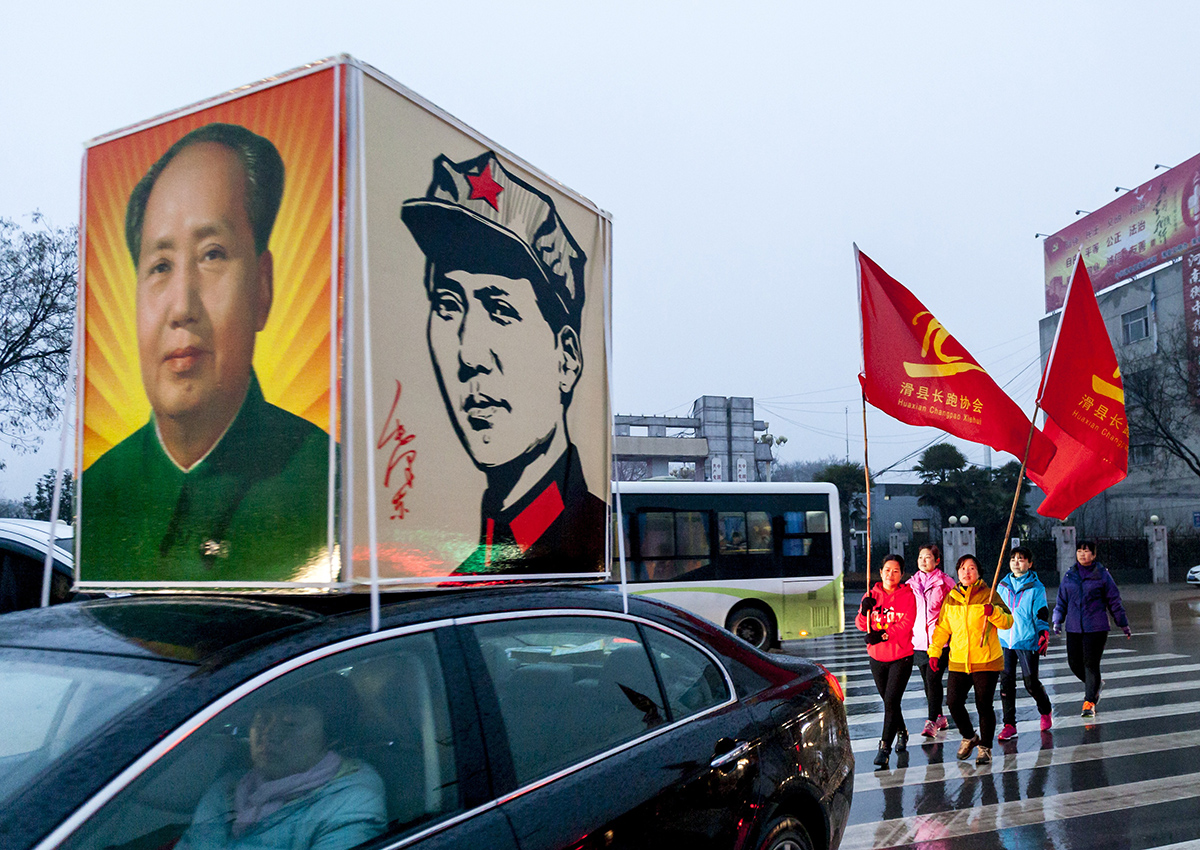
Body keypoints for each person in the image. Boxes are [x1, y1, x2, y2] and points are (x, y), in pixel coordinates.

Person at [82, 123, 330, 581]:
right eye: (159, 266)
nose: (181, 308)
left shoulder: (328, 484)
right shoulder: (99, 491)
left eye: (212, 254)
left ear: (261, 286)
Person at [401, 151, 606, 575]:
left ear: (566, 359)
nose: (469, 356)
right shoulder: (467, 572)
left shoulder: (593, 547)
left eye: (499, 308)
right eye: (447, 305)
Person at [176, 689, 386, 850]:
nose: (269, 733)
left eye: (291, 723)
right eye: (262, 719)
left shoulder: (352, 802)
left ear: (331, 737)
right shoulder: (229, 787)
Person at [928, 554, 1013, 766]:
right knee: (953, 702)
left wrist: (992, 612)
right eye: (963, 568)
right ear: (957, 572)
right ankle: (969, 736)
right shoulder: (951, 597)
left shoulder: (989, 594)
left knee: (984, 705)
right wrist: (935, 652)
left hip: (986, 660)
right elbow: (942, 628)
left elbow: (1008, 621)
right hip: (958, 660)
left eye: (972, 568)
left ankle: (985, 747)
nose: (967, 572)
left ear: (978, 572)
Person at [1052, 540, 1131, 718]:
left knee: (1090, 664)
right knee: (1074, 663)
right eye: (1079, 550)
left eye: (1086, 551)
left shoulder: (1102, 575)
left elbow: (1114, 601)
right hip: (1073, 627)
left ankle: (1089, 702)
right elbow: (1062, 600)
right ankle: (1095, 685)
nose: (1082, 554)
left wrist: (1123, 623)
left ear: (1093, 555)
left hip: (1096, 627)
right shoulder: (1069, 575)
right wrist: (1057, 619)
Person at [856, 554, 917, 769]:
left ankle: (884, 747)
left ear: (901, 574)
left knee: (891, 701)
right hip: (877, 658)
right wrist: (865, 610)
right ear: (880, 572)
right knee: (890, 702)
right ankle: (902, 731)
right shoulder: (871, 594)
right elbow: (861, 624)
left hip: (901, 656)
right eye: (887, 570)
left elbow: (906, 625)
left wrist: (882, 635)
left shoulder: (907, 595)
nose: (891, 574)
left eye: (896, 571)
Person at [995, 547, 1054, 740]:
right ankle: (1009, 724)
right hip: (1004, 640)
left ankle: (1045, 709)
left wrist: (1043, 632)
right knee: (1006, 684)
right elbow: (996, 611)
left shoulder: (1036, 588)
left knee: (1030, 683)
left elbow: (1041, 612)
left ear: (1029, 563)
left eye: (1021, 559)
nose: (1016, 562)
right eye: (1013, 559)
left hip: (1026, 640)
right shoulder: (1002, 585)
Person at [906, 543, 956, 738]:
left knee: (933, 679)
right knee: (928, 683)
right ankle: (939, 716)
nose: (923, 561)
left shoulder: (945, 582)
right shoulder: (911, 584)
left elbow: (955, 609)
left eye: (927, 557)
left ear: (937, 561)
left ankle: (931, 722)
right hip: (918, 642)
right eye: (920, 557)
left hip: (939, 642)